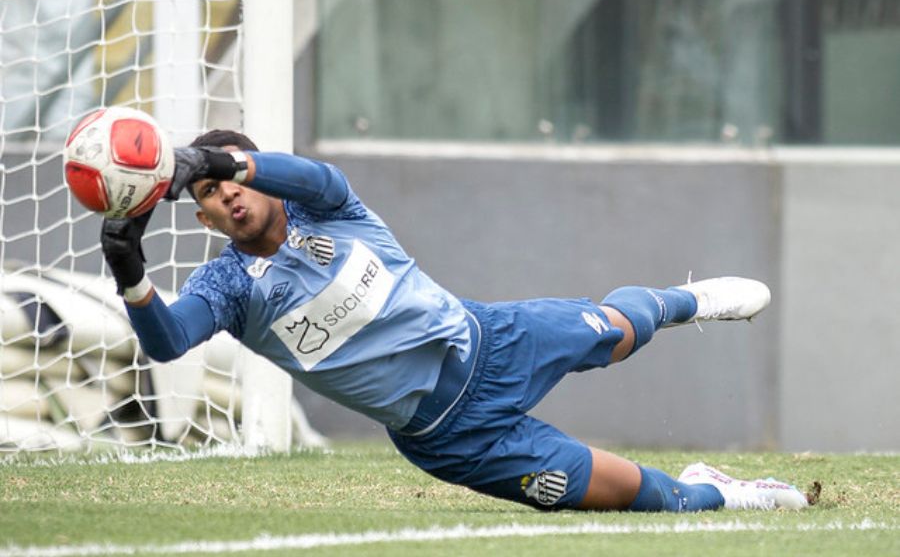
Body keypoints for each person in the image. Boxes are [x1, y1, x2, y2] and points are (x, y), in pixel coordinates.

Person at [100, 130, 809, 512]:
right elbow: (168, 340)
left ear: (257, 178)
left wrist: (223, 158)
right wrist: (128, 266)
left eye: (235, 183)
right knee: (630, 495)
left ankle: (690, 302)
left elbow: (314, 177)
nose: (229, 197)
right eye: (212, 196)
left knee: (620, 335)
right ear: (203, 217)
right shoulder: (228, 286)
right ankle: (723, 491)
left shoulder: (329, 207)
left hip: (491, 341)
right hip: (450, 437)